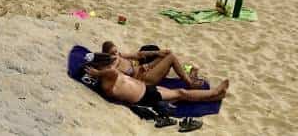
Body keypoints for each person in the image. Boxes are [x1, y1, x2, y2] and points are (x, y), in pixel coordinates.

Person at [84, 53, 228, 107]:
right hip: (145, 96)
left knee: (179, 94)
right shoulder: (107, 82)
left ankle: (216, 95)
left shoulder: (107, 75)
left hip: (146, 89)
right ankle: (214, 92)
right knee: (181, 93)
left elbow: (112, 68)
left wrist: (99, 71)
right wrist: (97, 73)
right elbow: (112, 72)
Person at [101, 42, 201, 87]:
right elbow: (125, 81)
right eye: (112, 53)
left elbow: (138, 54)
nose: (115, 54)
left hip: (146, 69)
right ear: (106, 55)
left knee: (166, 54)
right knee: (171, 57)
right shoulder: (112, 67)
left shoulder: (120, 55)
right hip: (144, 79)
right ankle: (189, 82)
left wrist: (157, 53)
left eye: (116, 51)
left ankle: (188, 77)